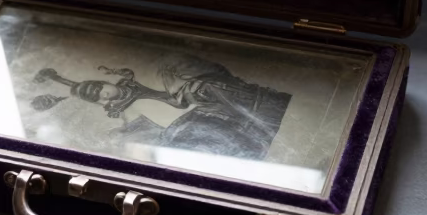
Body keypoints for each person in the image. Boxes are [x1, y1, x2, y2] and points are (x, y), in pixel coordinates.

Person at [31, 54, 290, 160]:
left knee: (199, 92)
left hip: (180, 101)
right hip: (178, 113)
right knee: (180, 133)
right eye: (98, 96)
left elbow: (161, 92)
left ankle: (252, 120)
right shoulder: (118, 106)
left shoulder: (128, 81)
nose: (103, 94)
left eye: (100, 87)